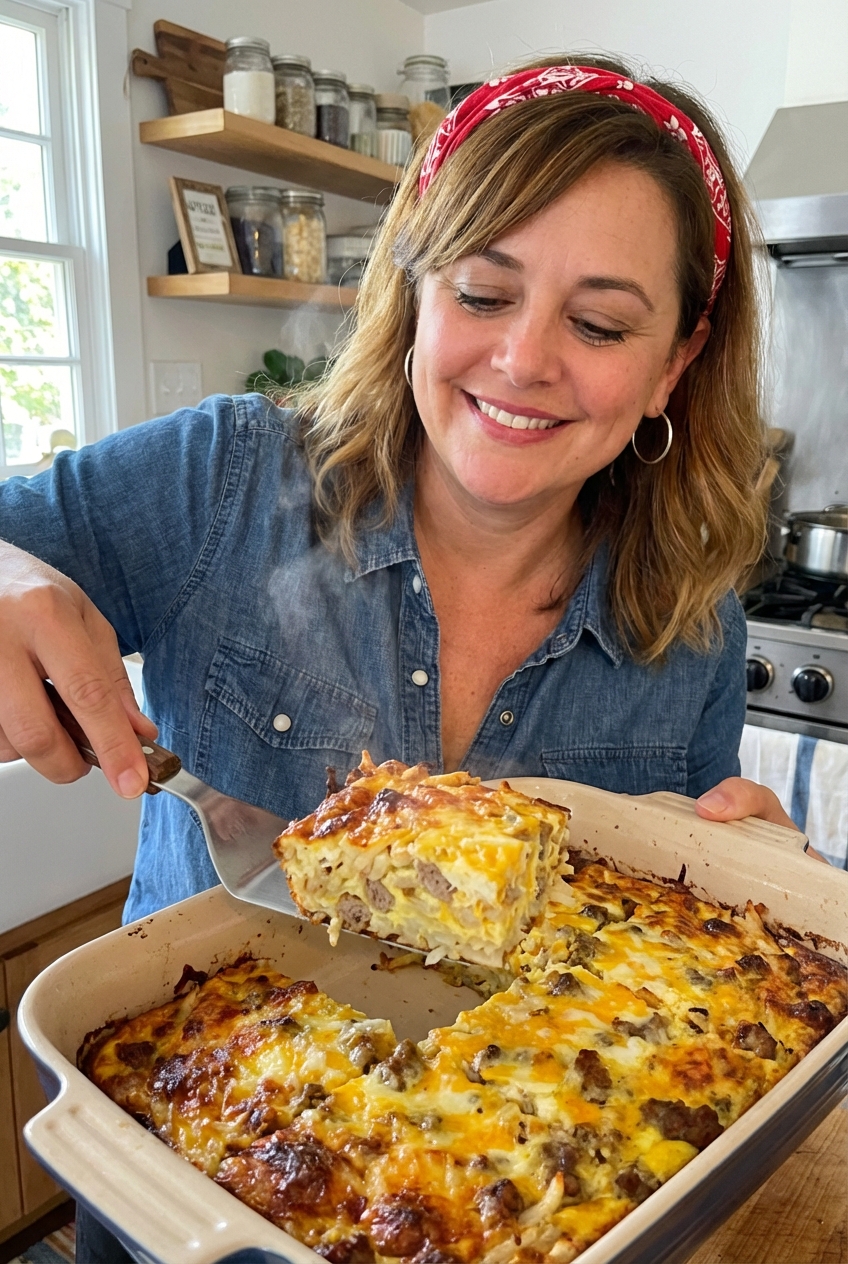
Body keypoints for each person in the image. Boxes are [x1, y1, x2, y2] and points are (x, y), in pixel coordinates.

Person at [0, 53, 807, 1261]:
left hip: (519, 1184)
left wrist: (735, 870)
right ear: (414, 292)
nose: (524, 359)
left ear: (671, 366)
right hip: (179, 1129)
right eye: (483, 294)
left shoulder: (691, 623)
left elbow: (680, 861)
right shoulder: (223, 479)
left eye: (596, 322)